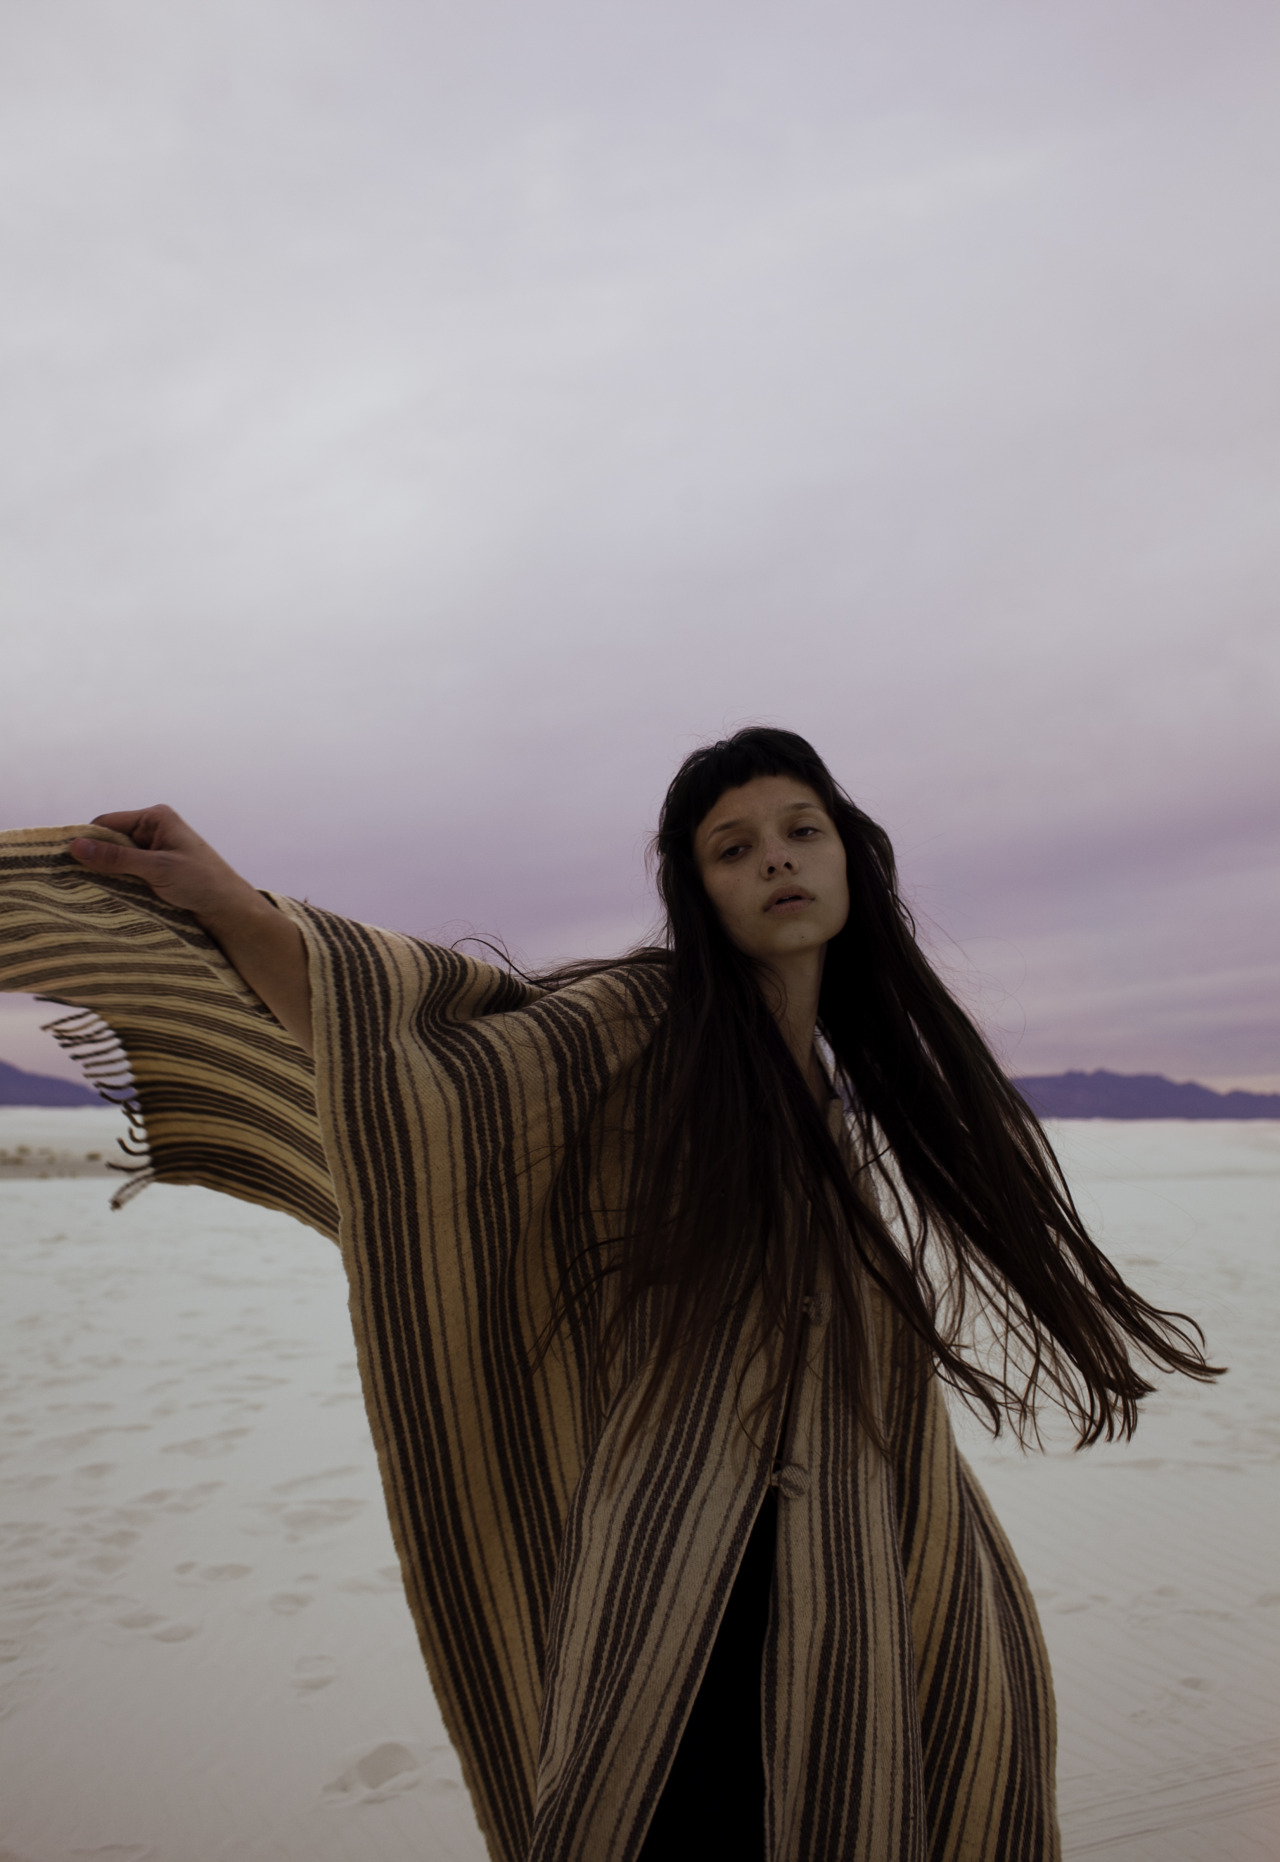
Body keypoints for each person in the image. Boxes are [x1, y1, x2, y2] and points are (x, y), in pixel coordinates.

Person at [0, 727, 1219, 1862]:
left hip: (843, 1534)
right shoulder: (651, 1014)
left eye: (800, 831)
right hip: (691, 1555)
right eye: (732, 847)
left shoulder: (830, 1097)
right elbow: (434, 1073)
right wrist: (234, 907)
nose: (775, 861)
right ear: (700, 890)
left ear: (850, 858)